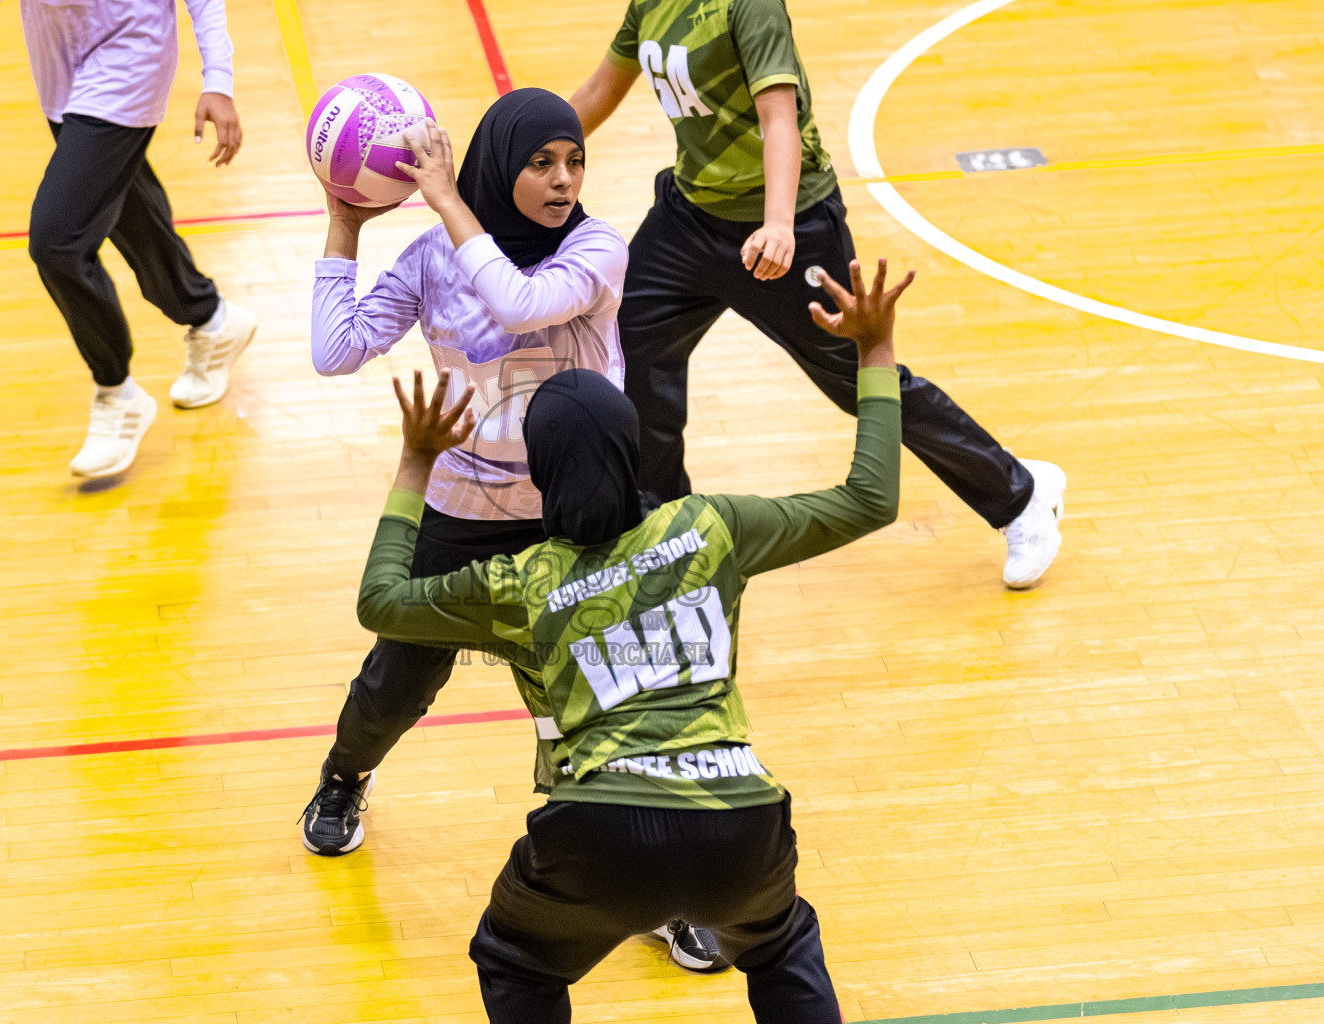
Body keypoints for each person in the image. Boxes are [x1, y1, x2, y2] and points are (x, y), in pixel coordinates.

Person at [355, 255, 912, 1022]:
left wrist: (418, 463)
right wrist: (875, 351)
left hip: (598, 830)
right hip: (739, 818)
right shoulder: (710, 526)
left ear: (544, 475)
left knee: (516, 961)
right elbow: (871, 499)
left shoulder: (519, 581)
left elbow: (380, 602)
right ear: (633, 449)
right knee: (780, 947)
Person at [304, 88, 726, 973]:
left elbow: (522, 303)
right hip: (462, 508)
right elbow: (335, 348)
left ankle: (666, 888)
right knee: (399, 677)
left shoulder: (597, 248)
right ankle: (344, 777)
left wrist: (449, 200)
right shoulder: (429, 260)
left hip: (582, 518)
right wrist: (343, 223)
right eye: (541, 162)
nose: (564, 179)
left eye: (574, 160)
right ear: (504, 165)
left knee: (624, 704)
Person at [567, 0, 1065, 588]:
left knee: (858, 383)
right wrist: (510, 156)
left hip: (790, 225)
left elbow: (779, 116)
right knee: (633, 352)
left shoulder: (749, 7)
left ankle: (1019, 494)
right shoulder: (649, 4)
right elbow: (601, 88)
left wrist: (776, 222)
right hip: (690, 219)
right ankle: (669, 531)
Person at [0, 0, 259, 479]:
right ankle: (211, 318)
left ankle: (116, 391)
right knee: (130, 212)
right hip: (62, 71)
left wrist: (218, 81)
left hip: (129, 61)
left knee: (57, 240)